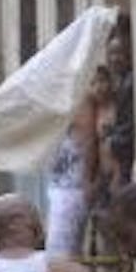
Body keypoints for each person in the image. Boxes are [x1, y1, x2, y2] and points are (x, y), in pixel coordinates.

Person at [45, 85, 99, 257]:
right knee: (60, 247)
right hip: (61, 182)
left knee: (61, 250)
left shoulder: (80, 100)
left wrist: (87, 179)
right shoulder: (60, 98)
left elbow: (88, 140)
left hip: (71, 186)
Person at [105, 34, 135, 185]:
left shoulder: (130, 83)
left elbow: (130, 124)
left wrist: (113, 140)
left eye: (119, 53)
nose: (114, 58)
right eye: (111, 53)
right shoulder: (119, 82)